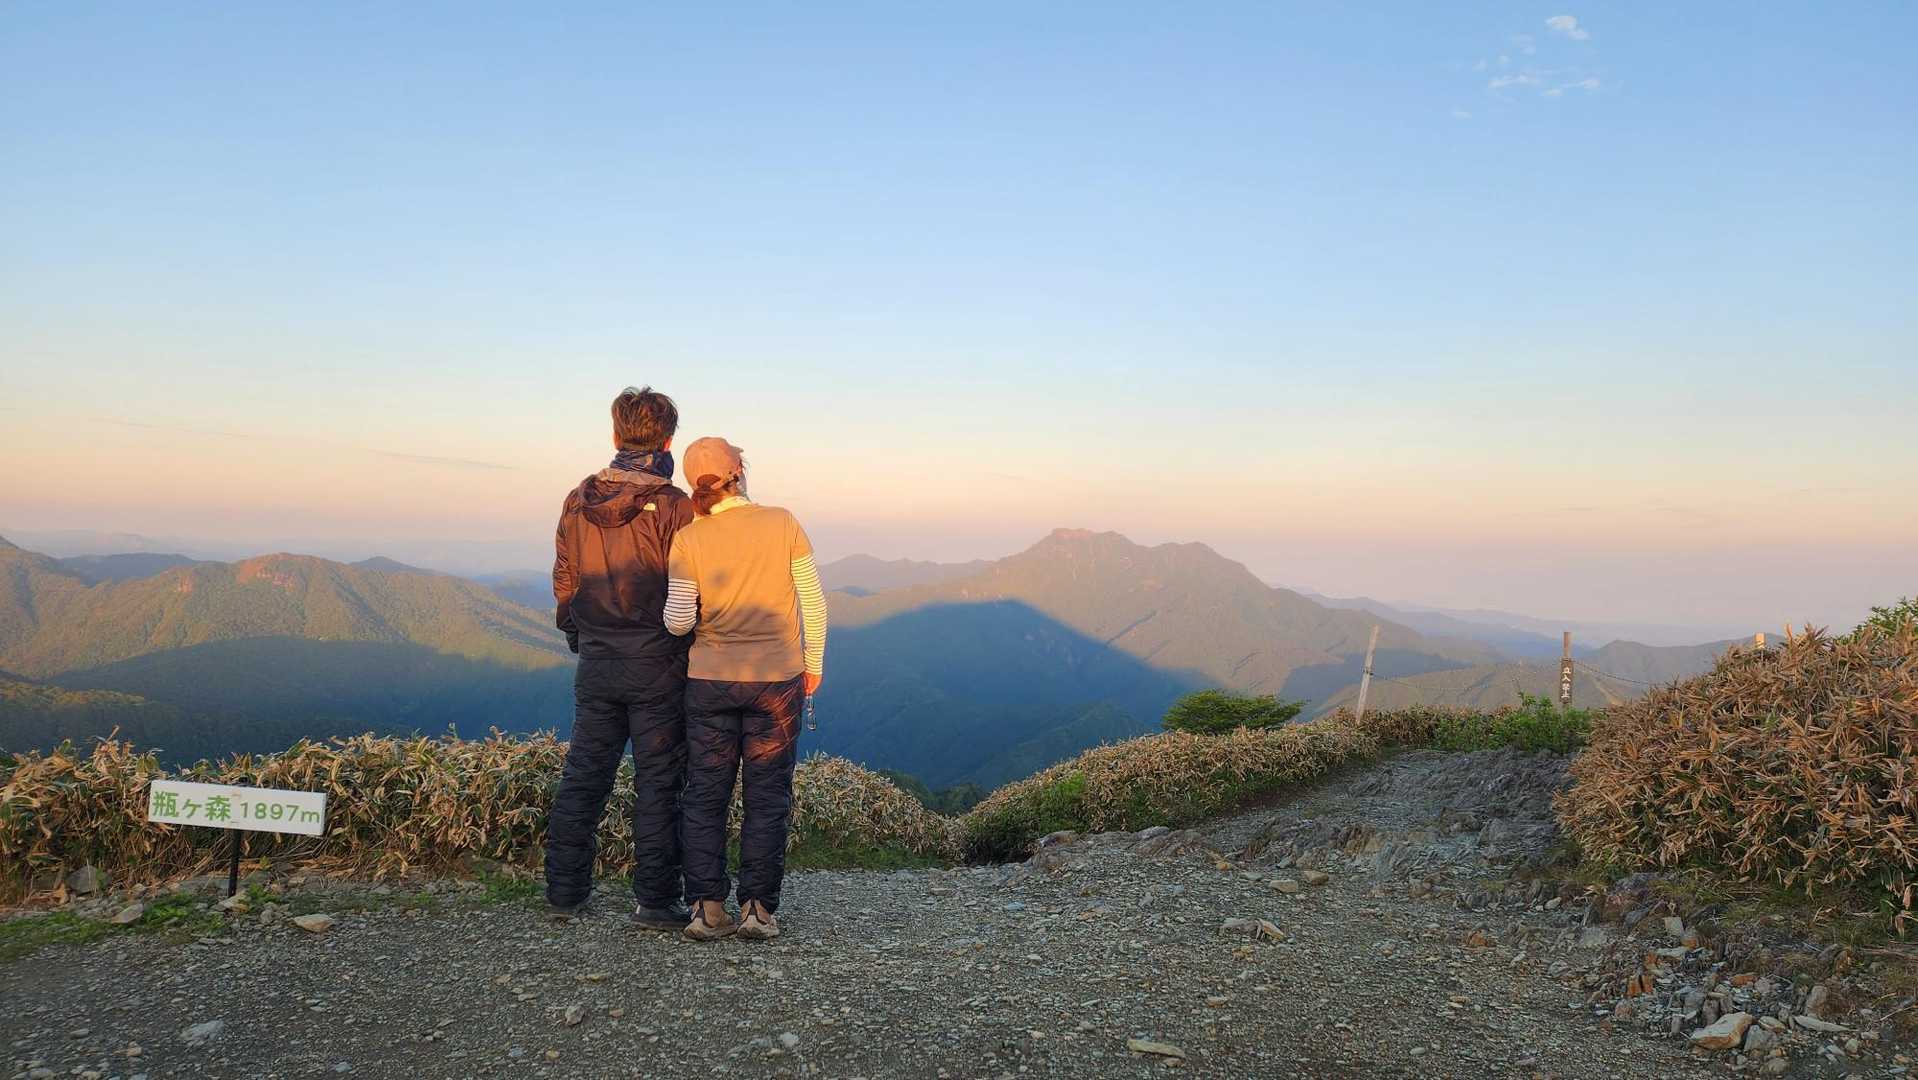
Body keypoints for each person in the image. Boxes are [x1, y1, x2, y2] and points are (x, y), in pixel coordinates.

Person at [663, 436, 828, 941]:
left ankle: (707, 909)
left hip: (709, 681)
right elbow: (813, 602)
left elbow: (677, 621)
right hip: (776, 681)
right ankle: (758, 909)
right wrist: (813, 665)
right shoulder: (783, 523)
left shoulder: (689, 538)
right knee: (767, 794)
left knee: (705, 793)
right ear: (739, 472)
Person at [544, 386, 696, 929]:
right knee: (659, 783)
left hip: (598, 661)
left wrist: (578, 635)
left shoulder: (577, 500)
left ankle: (565, 892)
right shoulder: (676, 507)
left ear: (615, 434)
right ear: (668, 440)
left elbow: (566, 579)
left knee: (585, 774)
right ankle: (655, 900)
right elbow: (691, 589)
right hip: (660, 664)